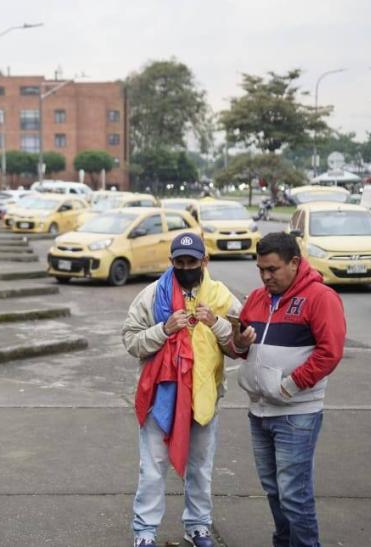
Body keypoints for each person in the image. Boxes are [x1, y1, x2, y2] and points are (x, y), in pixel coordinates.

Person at [122, 233, 252, 547]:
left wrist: (217, 323)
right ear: (171, 262)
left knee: (201, 468)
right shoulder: (152, 296)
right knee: (153, 469)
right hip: (160, 396)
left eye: (191, 262)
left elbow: (238, 347)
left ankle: (197, 527)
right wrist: (163, 330)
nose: (185, 267)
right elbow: (131, 341)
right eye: (179, 262)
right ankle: (145, 532)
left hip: (204, 398)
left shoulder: (222, 296)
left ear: (204, 262)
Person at [236, 232, 345, 547]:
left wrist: (288, 387)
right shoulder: (256, 298)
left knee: (295, 495)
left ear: (295, 262)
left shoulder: (320, 297)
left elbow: (330, 352)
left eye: (273, 269)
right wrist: (239, 343)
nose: (266, 276)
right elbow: (238, 345)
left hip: (297, 413)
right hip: (259, 411)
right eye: (261, 270)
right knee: (273, 489)